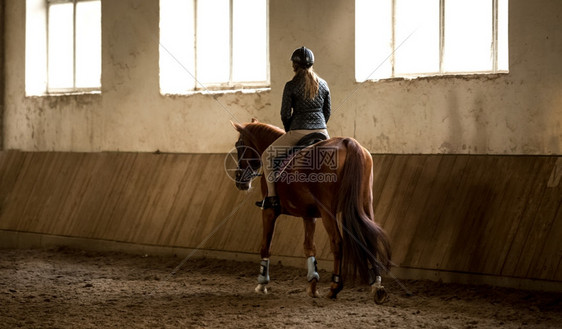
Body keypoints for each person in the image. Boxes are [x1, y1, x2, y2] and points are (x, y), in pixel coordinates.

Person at [257, 46, 331, 211]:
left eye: (293, 64)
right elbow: (327, 111)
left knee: (267, 156)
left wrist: (290, 129)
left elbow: (284, 113)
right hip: (322, 132)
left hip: (298, 130)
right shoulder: (324, 84)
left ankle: (272, 198)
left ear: (295, 65)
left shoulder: (291, 85)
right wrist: (320, 127)